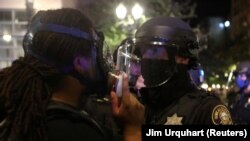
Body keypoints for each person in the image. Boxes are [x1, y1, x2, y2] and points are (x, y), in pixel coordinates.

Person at [0, 8, 144, 141]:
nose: (104, 61)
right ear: (80, 63)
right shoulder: (75, 131)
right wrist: (133, 130)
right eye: (96, 51)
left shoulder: (24, 112)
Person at [117, 16, 233, 125]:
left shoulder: (207, 110)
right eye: (143, 52)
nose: (146, 59)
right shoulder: (140, 106)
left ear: (183, 57)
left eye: (154, 51)